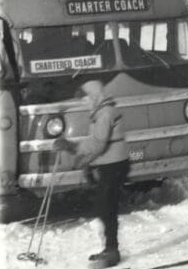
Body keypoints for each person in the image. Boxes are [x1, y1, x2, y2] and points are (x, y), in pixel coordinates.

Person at [53, 79, 129, 268]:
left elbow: (98, 143)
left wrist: (71, 147)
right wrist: (86, 162)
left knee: (106, 207)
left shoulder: (105, 113)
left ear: (94, 96)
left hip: (115, 166)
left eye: (86, 99)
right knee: (103, 207)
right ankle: (110, 248)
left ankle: (112, 251)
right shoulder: (100, 112)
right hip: (109, 164)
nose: (84, 103)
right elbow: (97, 146)